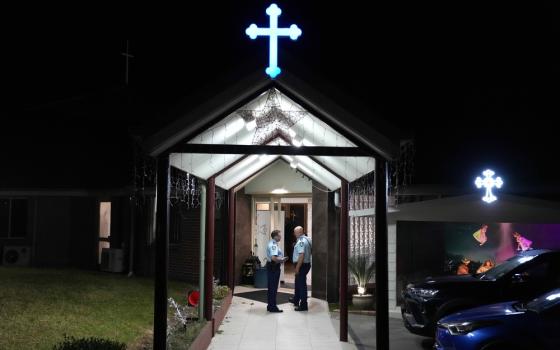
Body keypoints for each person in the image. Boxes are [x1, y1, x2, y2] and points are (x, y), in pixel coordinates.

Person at [289, 226, 312, 311]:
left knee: (302, 286)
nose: (294, 234)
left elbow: (301, 255)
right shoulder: (308, 239)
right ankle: (296, 299)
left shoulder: (301, 242)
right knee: (298, 283)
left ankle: (303, 305)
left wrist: (297, 268)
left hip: (301, 265)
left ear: (298, 233)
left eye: (295, 233)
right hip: (307, 264)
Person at [266, 230, 288, 312]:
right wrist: (282, 260)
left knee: (271, 287)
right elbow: (274, 258)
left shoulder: (272, 243)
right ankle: (273, 307)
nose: (280, 237)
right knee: (273, 287)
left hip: (272, 266)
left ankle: (270, 305)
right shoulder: (273, 245)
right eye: (279, 235)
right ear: (275, 236)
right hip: (273, 267)